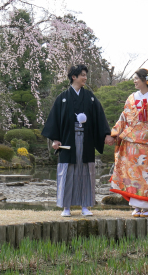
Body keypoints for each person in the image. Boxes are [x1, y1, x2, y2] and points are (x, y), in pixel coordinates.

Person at [42, 64, 114, 217]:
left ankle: (85, 206)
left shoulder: (90, 97)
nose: (85, 78)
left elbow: (99, 117)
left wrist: (107, 134)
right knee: (67, 172)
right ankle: (66, 207)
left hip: (86, 139)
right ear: (73, 77)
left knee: (86, 172)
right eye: (82, 75)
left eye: (85, 75)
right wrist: (55, 139)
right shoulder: (62, 98)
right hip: (68, 140)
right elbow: (54, 120)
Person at [109, 68, 148, 218]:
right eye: (134, 78)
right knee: (132, 176)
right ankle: (136, 206)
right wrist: (115, 133)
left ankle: (147, 207)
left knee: (147, 175)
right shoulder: (131, 97)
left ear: (145, 80)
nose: (134, 81)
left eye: (137, 78)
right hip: (131, 142)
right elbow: (123, 117)